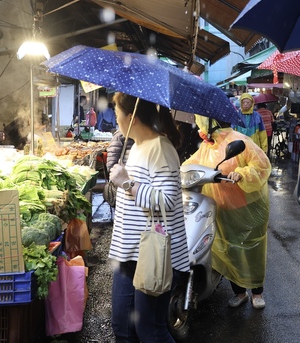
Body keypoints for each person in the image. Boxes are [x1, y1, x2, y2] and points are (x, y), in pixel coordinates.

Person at [107, 93, 189, 343]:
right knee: (123, 328)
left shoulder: (160, 149)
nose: (116, 118)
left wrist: (128, 183)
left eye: (117, 112)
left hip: (153, 256)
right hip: (128, 254)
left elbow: (167, 201)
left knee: (150, 330)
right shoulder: (136, 148)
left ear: (131, 117)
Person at [184, 115, 270, 309]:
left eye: (201, 121)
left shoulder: (239, 141)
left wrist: (243, 173)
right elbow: (191, 164)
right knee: (231, 251)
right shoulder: (207, 147)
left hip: (247, 207)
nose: (199, 125)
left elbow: (262, 164)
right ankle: (239, 292)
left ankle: (257, 292)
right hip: (222, 208)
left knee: (252, 251)